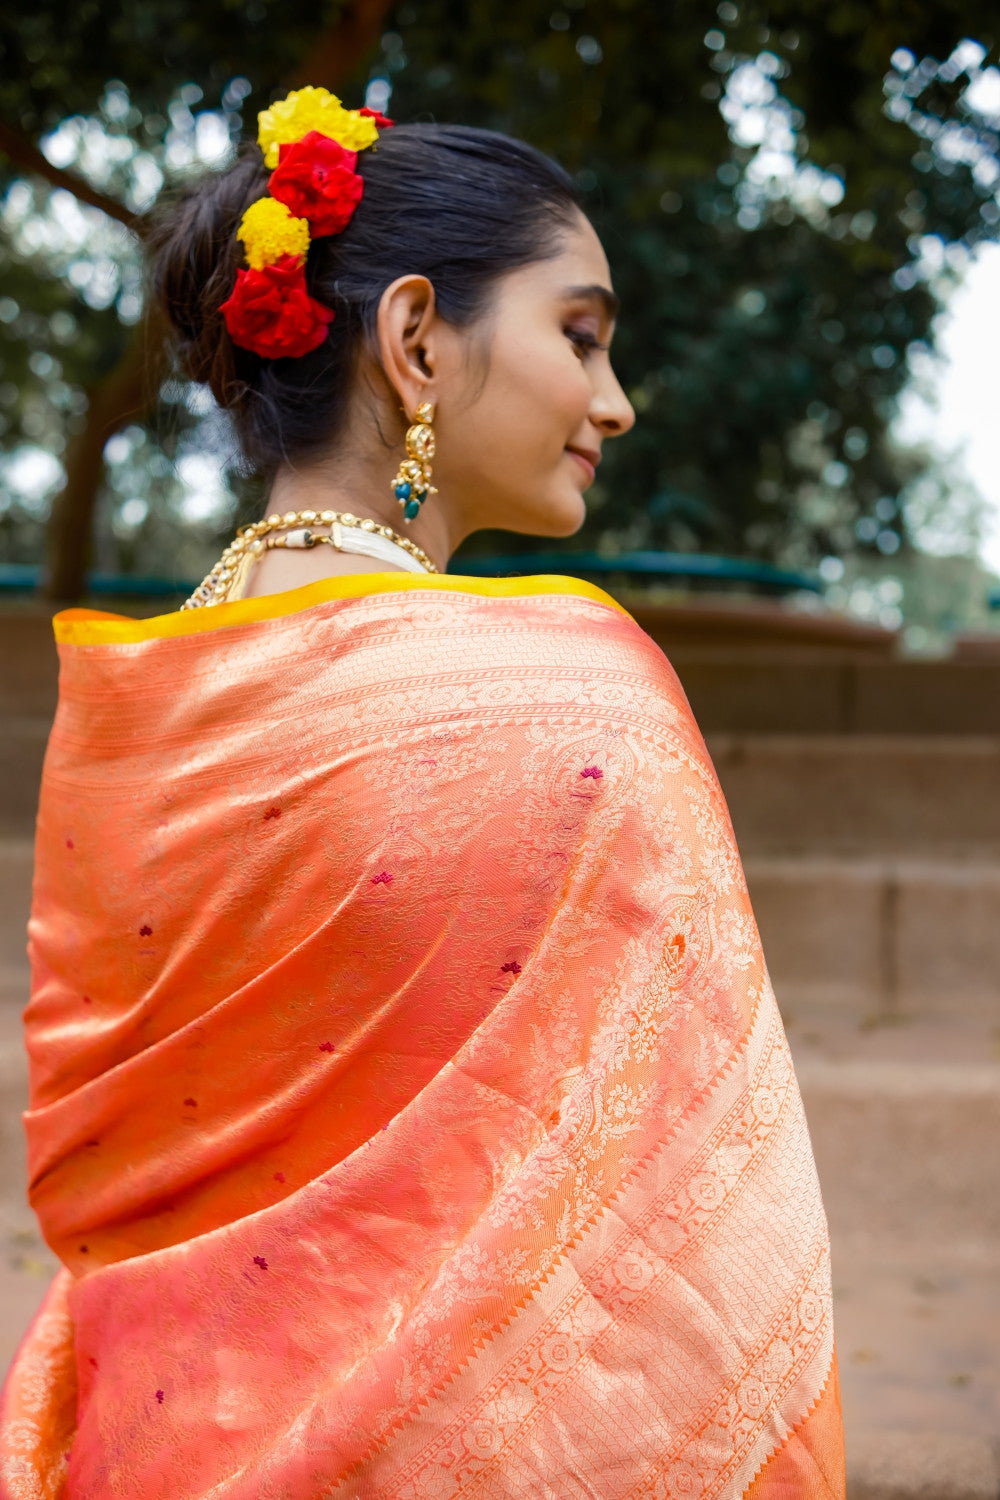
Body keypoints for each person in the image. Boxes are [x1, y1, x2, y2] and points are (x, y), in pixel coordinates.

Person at [0, 89, 845, 1498]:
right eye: (580, 335)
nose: (616, 403)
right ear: (413, 340)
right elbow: (687, 1205)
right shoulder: (575, 700)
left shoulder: (134, 713)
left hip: (158, 1445)